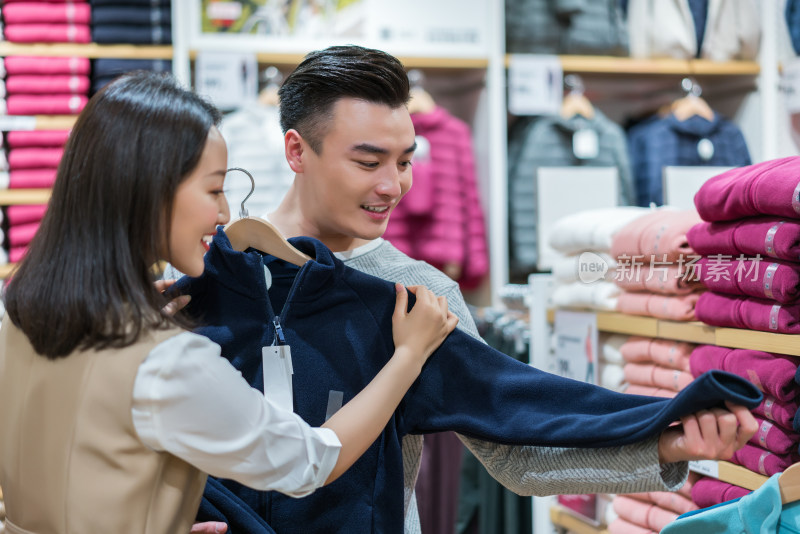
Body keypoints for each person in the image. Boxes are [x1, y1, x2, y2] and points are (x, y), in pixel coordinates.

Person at [187, 45, 758, 534]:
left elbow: (517, 448)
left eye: (406, 161)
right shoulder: (216, 274)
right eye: (368, 162)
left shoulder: (420, 296)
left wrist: (665, 444)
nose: (393, 186)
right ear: (296, 152)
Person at [0, 71, 459, 533]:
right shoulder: (167, 362)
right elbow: (312, 460)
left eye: (404, 162)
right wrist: (408, 356)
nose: (224, 213)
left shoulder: (15, 317)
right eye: (214, 188)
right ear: (152, 192)